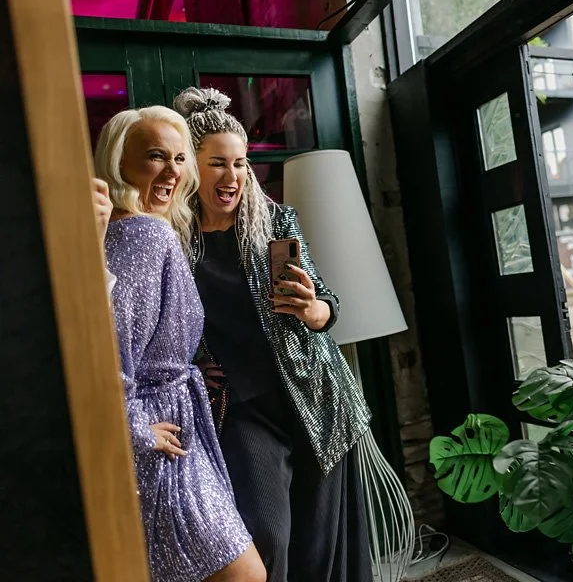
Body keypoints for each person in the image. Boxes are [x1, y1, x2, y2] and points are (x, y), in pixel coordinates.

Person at [173, 87, 373, 582]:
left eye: (240, 163)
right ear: (193, 169)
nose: (233, 176)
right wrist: (192, 360)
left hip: (316, 395)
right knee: (266, 534)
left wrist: (315, 309)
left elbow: (330, 305)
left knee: (321, 546)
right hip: (241, 410)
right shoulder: (173, 240)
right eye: (218, 163)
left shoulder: (275, 223)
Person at [93, 106, 266, 582]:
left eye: (179, 157)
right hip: (160, 431)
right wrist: (135, 431)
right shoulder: (145, 234)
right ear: (118, 161)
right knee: (243, 574)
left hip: (165, 417)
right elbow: (110, 342)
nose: (172, 170)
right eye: (155, 156)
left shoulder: (124, 231)